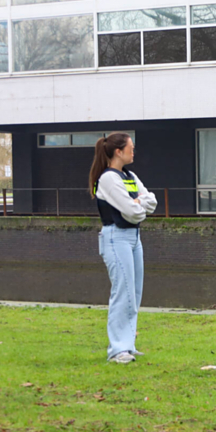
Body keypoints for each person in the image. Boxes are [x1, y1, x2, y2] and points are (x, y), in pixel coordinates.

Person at [88, 133, 157, 364]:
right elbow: (133, 211)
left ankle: (128, 345)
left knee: (134, 293)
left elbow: (151, 201)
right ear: (118, 151)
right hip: (116, 237)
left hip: (134, 237)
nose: (133, 151)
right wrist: (138, 203)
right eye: (131, 147)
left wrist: (137, 203)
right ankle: (117, 350)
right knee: (122, 292)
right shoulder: (108, 179)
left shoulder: (129, 175)